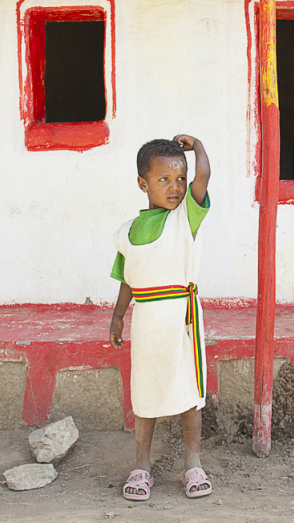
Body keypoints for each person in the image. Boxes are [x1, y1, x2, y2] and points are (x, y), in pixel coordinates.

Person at [108, 135, 212, 501]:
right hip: (147, 321)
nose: (176, 187)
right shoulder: (128, 232)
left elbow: (204, 177)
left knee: (188, 394)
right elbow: (126, 277)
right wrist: (118, 316)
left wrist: (197, 146)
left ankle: (193, 464)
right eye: (164, 179)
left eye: (180, 178)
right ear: (143, 183)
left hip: (181, 321)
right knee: (146, 392)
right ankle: (141, 466)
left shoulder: (186, 218)